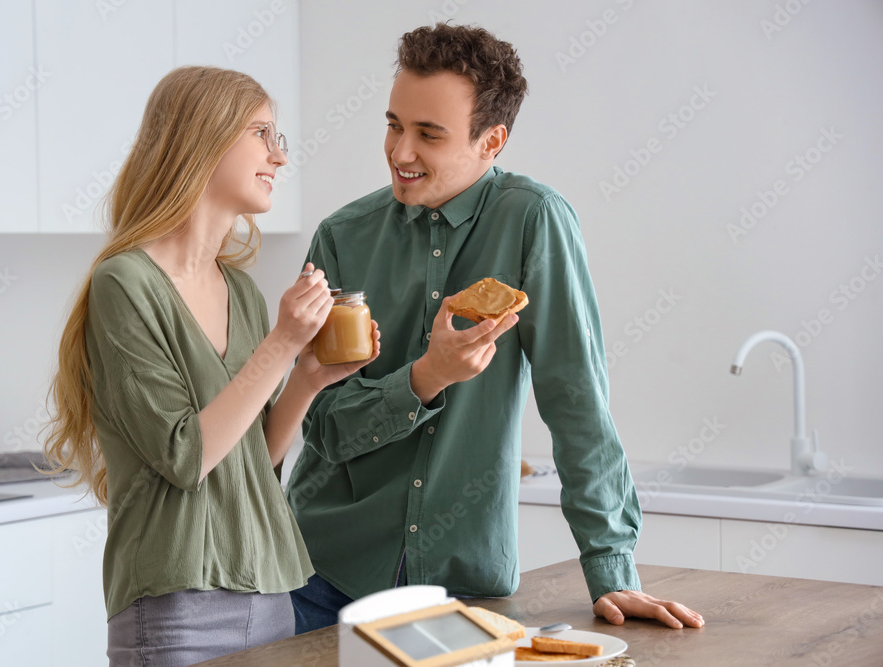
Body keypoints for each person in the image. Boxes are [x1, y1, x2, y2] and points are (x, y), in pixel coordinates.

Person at [285, 24, 704, 633]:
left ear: (492, 141)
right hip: (320, 577)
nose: (401, 152)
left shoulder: (533, 222)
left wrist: (612, 570)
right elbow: (323, 426)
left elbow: (576, 401)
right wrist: (425, 378)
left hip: (460, 590)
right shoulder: (342, 238)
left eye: (428, 134)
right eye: (394, 124)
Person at [42, 66, 379, 666]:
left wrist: (306, 377)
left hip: (272, 592)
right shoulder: (125, 284)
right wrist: (280, 344)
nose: (279, 156)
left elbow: (255, 457)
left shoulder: (241, 292)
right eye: (262, 134)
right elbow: (186, 456)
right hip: (178, 609)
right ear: (202, 137)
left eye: (279, 139)